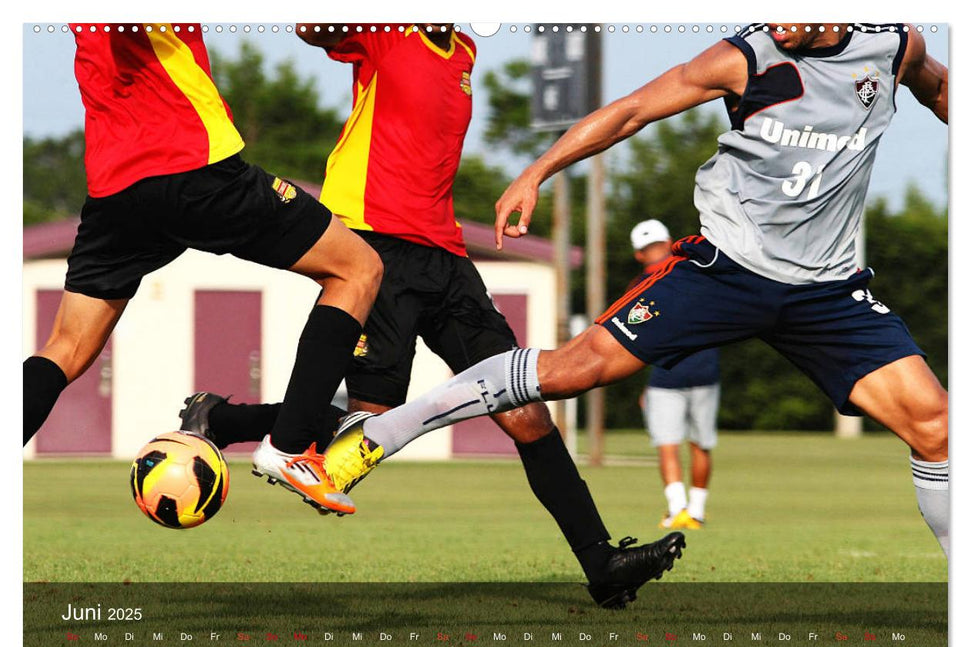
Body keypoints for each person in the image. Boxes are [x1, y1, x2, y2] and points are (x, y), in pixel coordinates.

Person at [319, 23, 950, 560]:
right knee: (573, 370)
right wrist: (537, 171)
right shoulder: (744, 57)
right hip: (724, 271)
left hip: (827, 291)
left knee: (938, 427)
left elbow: (942, 88)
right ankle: (378, 437)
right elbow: (631, 112)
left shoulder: (894, 49)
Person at [178, 23, 685, 610]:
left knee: (525, 412)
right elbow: (315, 30)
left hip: (446, 257)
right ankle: (228, 421)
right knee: (365, 428)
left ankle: (604, 564)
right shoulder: (384, 32)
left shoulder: (466, 50)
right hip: (373, 245)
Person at [22, 23, 384, 516]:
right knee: (357, 268)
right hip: (194, 164)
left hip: (116, 190)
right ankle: (290, 447)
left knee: (64, 347)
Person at [629, 220, 720, 530]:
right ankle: (690, 511)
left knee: (676, 445)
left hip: (673, 377)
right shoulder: (698, 274)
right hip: (692, 374)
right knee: (697, 444)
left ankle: (682, 510)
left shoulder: (641, 288)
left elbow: (636, 343)